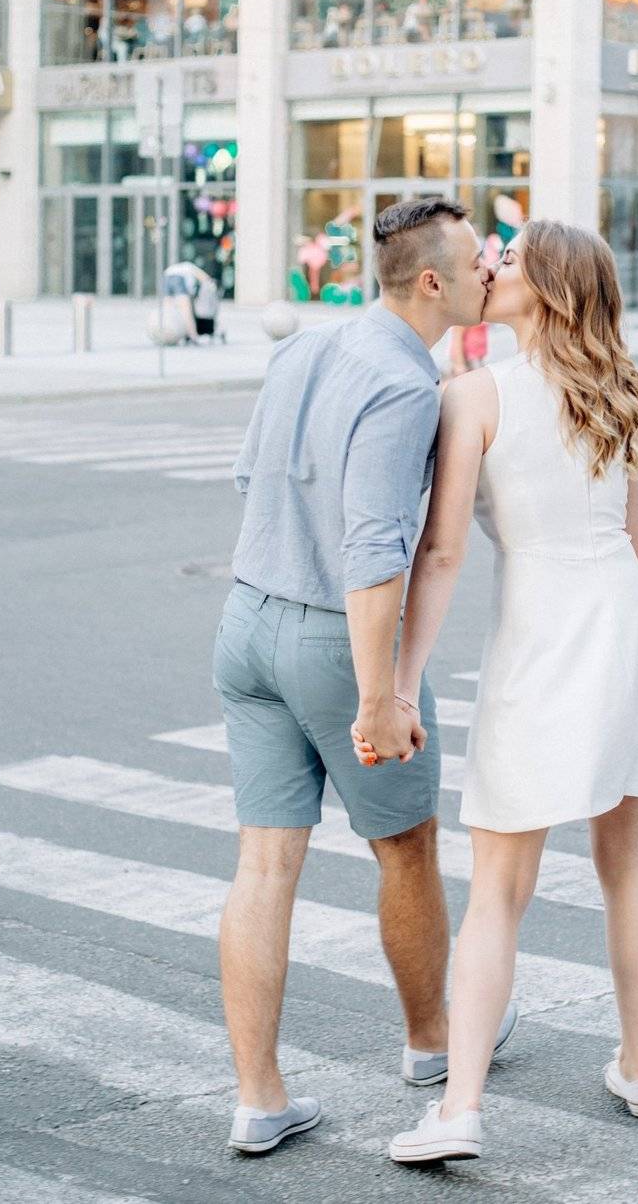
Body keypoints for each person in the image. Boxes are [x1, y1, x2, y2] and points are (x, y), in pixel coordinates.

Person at [353, 220, 638, 1165]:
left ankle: (461, 1108)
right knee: (625, 866)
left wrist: (400, 680)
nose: (491, 266)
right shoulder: (627, 393)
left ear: (548, 289)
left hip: (543, 636)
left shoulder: (474, 395)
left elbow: (441, 553)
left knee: (498, 890)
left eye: (509, 259)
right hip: (627, 633)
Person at [213, 197, 516, 1158]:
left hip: (246, 621)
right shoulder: (405, 386)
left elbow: (249, 478)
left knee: (264, 864)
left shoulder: (303, 348)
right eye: (476, 262)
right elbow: (375, 551)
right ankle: (432, 1043)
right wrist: (380, 694)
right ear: (432, 282)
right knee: (407, 848)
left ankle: (258, 1099)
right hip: (335, 641)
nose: (488, 272)